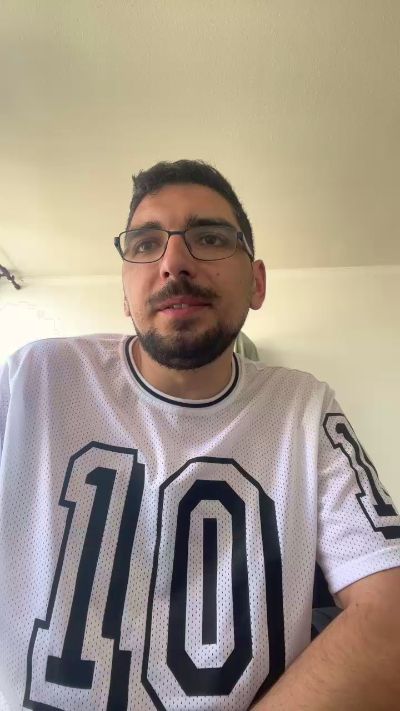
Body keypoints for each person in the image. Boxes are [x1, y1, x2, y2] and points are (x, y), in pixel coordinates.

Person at [0, 159, 399, 711]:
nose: (173, 262)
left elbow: (389, 613)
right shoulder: (33, 380)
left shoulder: (303, 407)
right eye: (145, 244)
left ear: (257, 283)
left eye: (209, 238)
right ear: (125, 294)